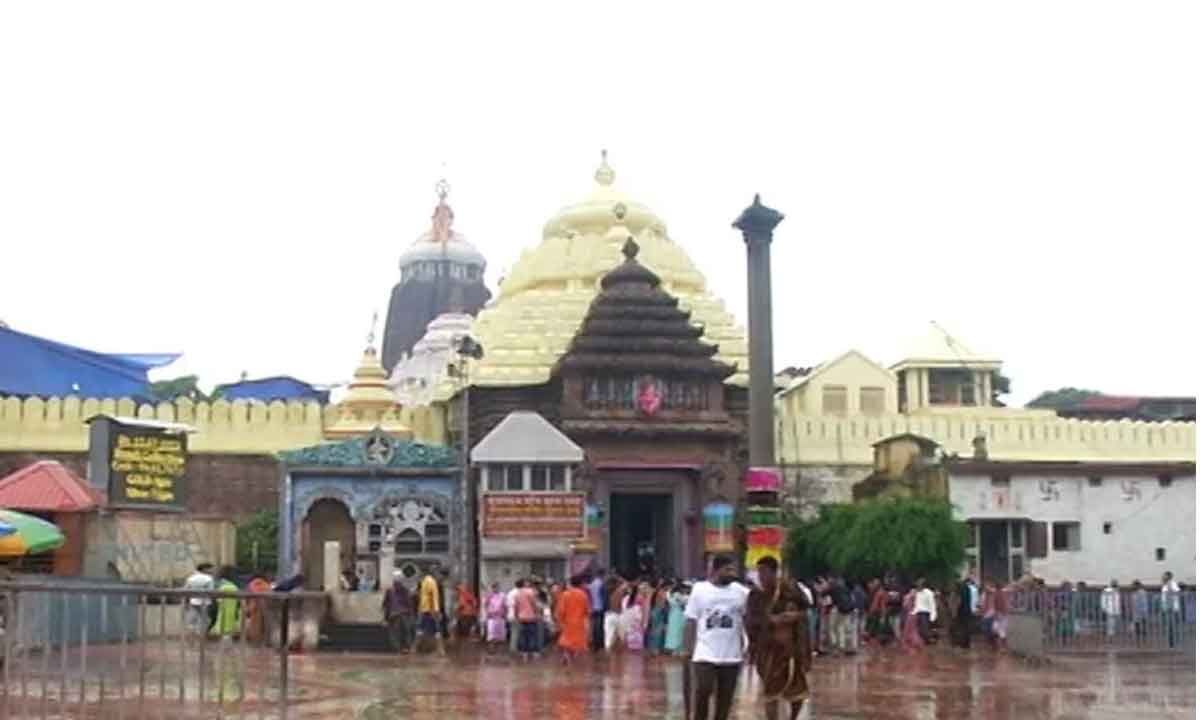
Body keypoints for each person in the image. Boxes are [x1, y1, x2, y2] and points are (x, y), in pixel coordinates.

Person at [684, 555, 750, 720]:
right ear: (715, 570)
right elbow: (691, 620)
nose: (732, 573)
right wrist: (688, 649)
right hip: (704, 652)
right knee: (703, 689)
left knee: (725, 698)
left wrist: (750, 645)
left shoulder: (742, 592)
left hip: (732, 654)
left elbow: (750, 617)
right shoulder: (699, 589)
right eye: (728, 569)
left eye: (733, 569)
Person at [746, 557, 811, 720]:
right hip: (768, 651)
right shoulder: (755, 595)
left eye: (764, 572)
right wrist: (771, 621)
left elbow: (805, 610)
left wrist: (794, 616)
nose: (761, 576)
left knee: (798, 689)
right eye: (759, 572)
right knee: (770, 691)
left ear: (774, 572)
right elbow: (751, 620)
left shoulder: (790, 590)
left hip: (793, 649)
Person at [556, 574, 591, 665]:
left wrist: (559, 622)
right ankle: (571, 659)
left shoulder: (565, 594)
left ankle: (567, 657)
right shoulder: (583, 595)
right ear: (580, 584)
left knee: (567, 642)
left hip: (567, 622)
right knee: (576, 644)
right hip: (579, 623)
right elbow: (587, 611)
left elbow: (561, 611)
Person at [183, 563, 216, 644]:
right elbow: (211, 592)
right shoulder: (209, 578)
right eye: (210, 568)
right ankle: (201, 641)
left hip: (193, 602)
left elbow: (185, 591)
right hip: (205, 603)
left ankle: (190, 640)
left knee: (192, 622)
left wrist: (186, 602)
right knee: (205, 621)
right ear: (204, 569)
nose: (212, 570)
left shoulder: (190, 578)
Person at [382, 571, 413, 654]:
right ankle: (406, 649)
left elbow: (386, 605)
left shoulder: (390, 590)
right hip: (404, 614)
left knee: (394, 634)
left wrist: (385, 618)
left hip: (394, 615)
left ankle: (398, 650)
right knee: (406, 632)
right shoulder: (405, 590)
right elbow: (409, 603)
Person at [416, 568, 445, 655]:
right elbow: (431, 597)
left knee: (423, 628)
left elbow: (433, 596)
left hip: (428, 610)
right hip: (428, 609)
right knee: (434, 630)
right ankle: (439, 649)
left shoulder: (428, 581)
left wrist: (435, 610)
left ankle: (439, 649)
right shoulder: (427, 581)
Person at [514, 576, 541, 661]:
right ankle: (533, 652)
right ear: (524, 584)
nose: (528, 583)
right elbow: (534, 604)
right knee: (532, 635)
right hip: (531, 617)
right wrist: (538, 613)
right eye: (527, 582)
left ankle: (524, 653)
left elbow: (516, 606)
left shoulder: (517, 594)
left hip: (521, 617)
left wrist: (516, 615)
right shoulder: (530, 592)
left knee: (523, 635)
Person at [211, 566, 241, 641]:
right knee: (230, 622)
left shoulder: (221, 585)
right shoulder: (234, 586)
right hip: (232, 608)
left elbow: (218, 599)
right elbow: (238, 599)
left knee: (222, 621)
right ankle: (228, 637)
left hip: (222, 608)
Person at [664, 582, 688, 656]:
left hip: (673, 614)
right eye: (684, 588)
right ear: (681, 588)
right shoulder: (678, 595)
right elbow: (684, 603)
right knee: (679, 632)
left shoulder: (670, 595)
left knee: (673, 632)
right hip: (679, 615)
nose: (685, 590)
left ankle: (674, 649)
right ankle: (678, 649)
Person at [483, 582, 508, 652]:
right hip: (492, 617)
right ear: (492, 588)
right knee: (491, 633)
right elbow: (485, 604)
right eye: (494, 587)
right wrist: (487, 612)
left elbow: (505, 606)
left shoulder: (503, 595)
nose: (495, 589)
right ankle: (491, 648)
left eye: (497, 587)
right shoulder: (489, 595)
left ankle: (499, 649)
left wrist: (505, 614)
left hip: (500, 617)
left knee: (500, 634)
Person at [912, 577, 937, 645]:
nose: (918, 586)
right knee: (917, 630)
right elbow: (915, 604)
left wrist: (933, 617)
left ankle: (929, 640)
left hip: (925, 613)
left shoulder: (929, 593)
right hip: (916, 612)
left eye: (920, 584)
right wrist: (912, 613)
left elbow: (932, 605)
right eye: (917, 584)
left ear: (923, 585)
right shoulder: (916, 593)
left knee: (924, 630)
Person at [620, 584, 645, 652]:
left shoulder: (626, 598)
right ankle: (636, 647)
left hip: (630, 617)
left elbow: (623, 608)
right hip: (637, 617)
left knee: (631, 632)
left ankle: (630, 646)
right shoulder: (640, 597)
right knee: (637, 631)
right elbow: (643, 608)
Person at [1161, 571, 1182, 648]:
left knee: (1171, 626)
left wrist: (1170, 605)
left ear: (1168, 577)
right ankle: (1172, 643)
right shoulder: (1166, 585)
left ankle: (1173, 643)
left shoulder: (1172, 584)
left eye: (1164, 576)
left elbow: (1176, 593)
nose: (1162, 577)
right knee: (1170, 626)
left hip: (1171, 609)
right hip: (1168, 609)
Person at [900, 587, 924, 653]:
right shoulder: (916, 597)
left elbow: (905, 606)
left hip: (910, 616)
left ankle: (910, 647)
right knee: (913, 630)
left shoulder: (908, 597)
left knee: (909, 631)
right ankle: (916, 646)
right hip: (913, 615)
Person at [952, 577, 974, 649]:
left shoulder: (961, 588)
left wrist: (955, 611)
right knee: (966, 627)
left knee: (961, 627)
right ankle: (966, 643)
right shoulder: (967, 588)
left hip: (962, 611)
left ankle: (962, 643)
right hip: (967, 610)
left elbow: (959, 600)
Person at [646, 588, 669, 656]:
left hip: (655, 612)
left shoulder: (655, 594)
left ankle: (652, 649)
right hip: (658, 613)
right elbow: (663, 606)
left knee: (653, 632)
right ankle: (655, 649)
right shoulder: (661, 595)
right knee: (657, 633)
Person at [587, 571, 606, 651]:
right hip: (600, 608)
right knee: (600, 626)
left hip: (592, 608)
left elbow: (589, 596)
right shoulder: (601, 584)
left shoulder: (591, 585)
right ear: (602, 575)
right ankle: (599, 644)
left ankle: (594, 643)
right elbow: (604, 597)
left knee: (594, 626)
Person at [1131, 580, 1150, 645]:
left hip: (1142, 612)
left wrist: (1143, 611)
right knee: (1137, 627)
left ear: (1138, 585)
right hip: (1136, 612)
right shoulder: (1134, 593)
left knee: (1143, 626)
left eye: (1134, 585)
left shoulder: (1142, 592)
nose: (1132, 586)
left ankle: (1144, 640)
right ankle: (1138, 640)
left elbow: (1144, 603)